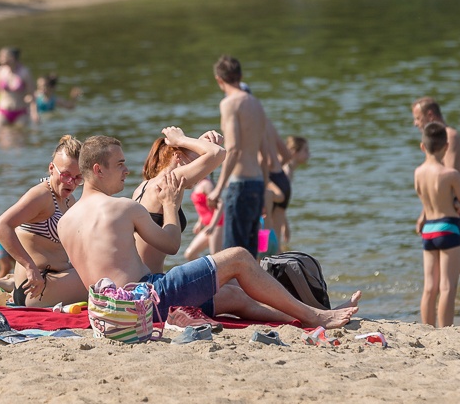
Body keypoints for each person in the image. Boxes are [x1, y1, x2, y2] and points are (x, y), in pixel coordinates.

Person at [58, 135, 361, 328]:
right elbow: (172, 243)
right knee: (239, 257)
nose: (126, 170)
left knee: (231, 295)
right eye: (120, 164)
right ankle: (315, 316)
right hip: (144, 300)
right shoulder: (122, 207)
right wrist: (170, 204)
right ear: (98, 170)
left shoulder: (66, 221)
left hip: (109, 313)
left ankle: (309, 315)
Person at [0, 135, 86, 307]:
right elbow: (0, 226)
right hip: (35, 287)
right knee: (104, 279)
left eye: (78, 178)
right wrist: (30, 267)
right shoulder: (42, 195)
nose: (71, 182)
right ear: (51, 168)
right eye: (65, 175)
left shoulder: (69, 200)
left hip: (55, 280)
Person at [132, 127, 225, 274]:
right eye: (196, 163)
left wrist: (199, 141)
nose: (200, 173)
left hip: (140, 277)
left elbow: (208, 153)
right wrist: (181, 140)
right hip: (150, 284)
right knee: (237, 259)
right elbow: (217, 153)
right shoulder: (168, 181)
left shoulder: (143, 186)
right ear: (177, 156)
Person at [208, 56, 271, 257]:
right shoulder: (256, 104)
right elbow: (265, 154)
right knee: (250, 257)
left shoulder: (229, 104)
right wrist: (263, 192)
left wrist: (218, 189)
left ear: (219, 79)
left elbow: (233, 149)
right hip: (257, 183)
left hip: (241, 185)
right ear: (240, 76)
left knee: (233, 256)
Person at [414, 122, 460, 328]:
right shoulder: (451, 174)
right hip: (448, 228)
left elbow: (424, 199)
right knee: (448, 286)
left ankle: (426, 328)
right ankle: (446, 330)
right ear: (446, 147)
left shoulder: (418, 173)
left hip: (428, 229)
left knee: (430, 287)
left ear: (423, 147)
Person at [413, 97, 460, 270]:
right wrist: (424, 213)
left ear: (430, 115)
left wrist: (427, 214)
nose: (415, 123)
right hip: (444, 213)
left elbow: (450, 175)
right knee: (449, 275)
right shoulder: (436, 141)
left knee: (459, 270)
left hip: (457, 209)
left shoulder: (450, 136)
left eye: (418, 118)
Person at [269, 135, 309, 249]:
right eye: (305, 150)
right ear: (293, 152)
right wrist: (285, 226)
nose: (309, 154)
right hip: (272, 217)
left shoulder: (287, 170)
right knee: (272, 246)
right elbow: (280, 204)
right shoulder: (285, 172)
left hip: (273, 216)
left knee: (271, 245)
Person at [0, 46, 33, 127]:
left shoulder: (24, 72)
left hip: (20, 112)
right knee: (1, 138)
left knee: (20, 138)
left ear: (11, 57)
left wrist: (34, 112)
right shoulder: (0, 71)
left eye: (2, 56)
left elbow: (32, 94)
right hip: (2, 111)